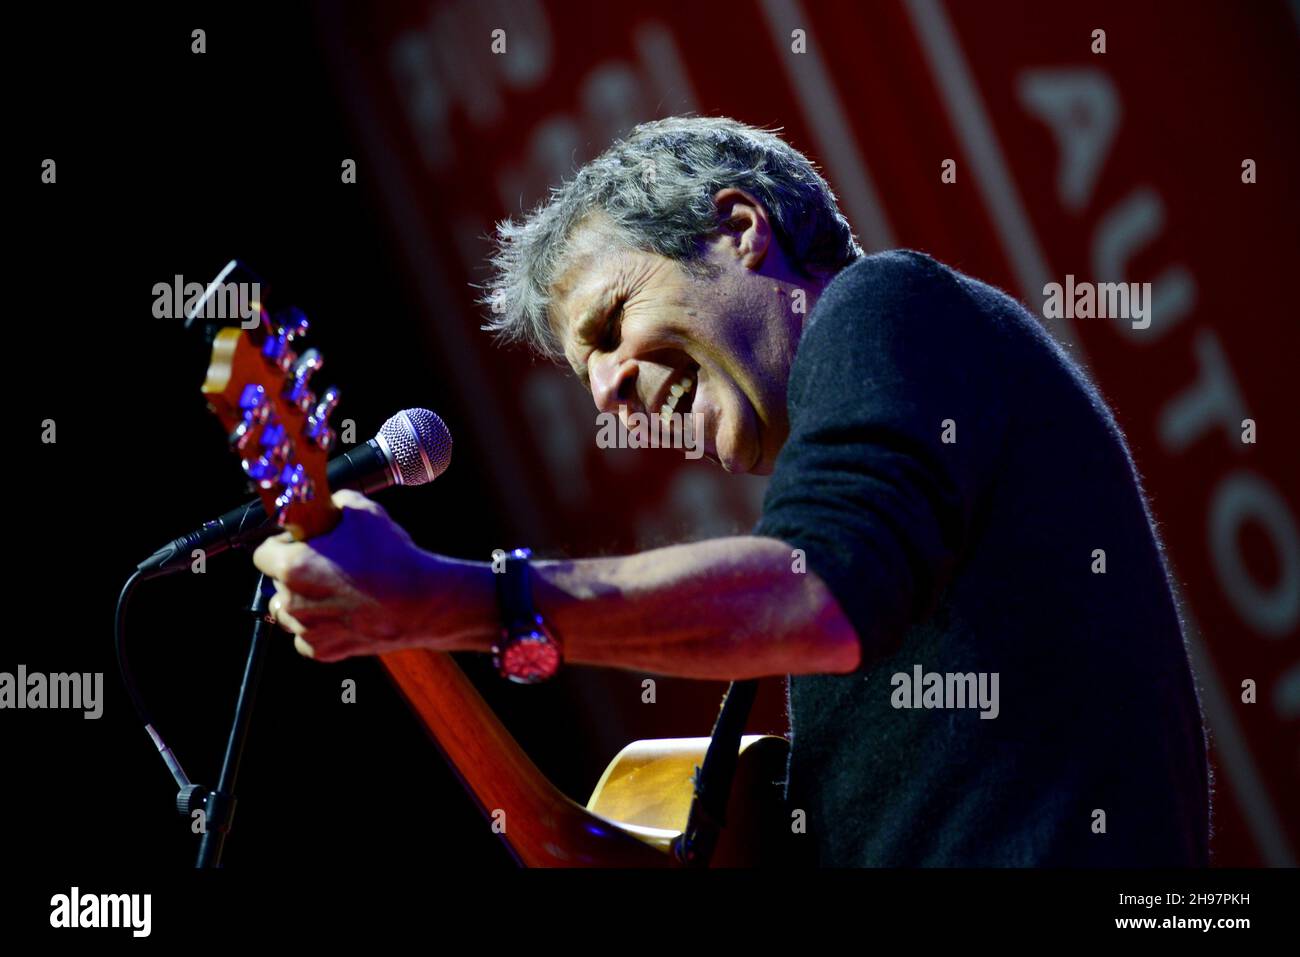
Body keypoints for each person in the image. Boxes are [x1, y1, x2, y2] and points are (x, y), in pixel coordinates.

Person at [253, 116, 1209, 866]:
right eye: (584, 374)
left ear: (743, 230)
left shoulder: (887, 304)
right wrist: (414, 620)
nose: (607, 392)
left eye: (610, 321)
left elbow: (807, 593)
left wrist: (449, 598)